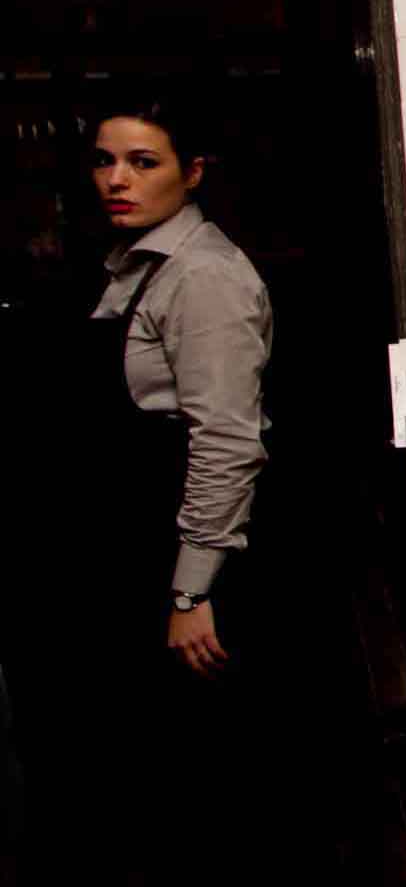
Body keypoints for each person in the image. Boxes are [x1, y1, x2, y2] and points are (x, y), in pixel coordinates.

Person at [8, 91, 281, 881]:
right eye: (103, 160)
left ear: (192, 173)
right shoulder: (131, 266)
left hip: (193, 563)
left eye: (142, 161)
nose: (115, 180)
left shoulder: (204, 276)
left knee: (191, 789)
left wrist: (192, 591)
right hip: (134, 550)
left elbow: (226, 440)